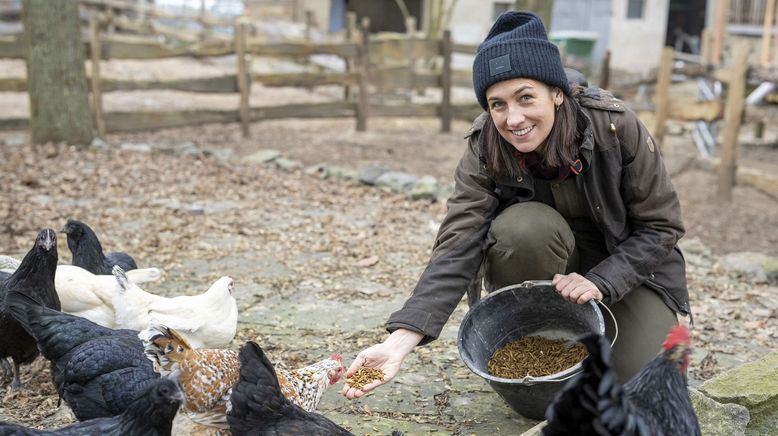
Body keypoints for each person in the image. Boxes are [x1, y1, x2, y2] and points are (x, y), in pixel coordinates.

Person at [341, 11, 690, 401]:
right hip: (546, 259)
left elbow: (661, 227)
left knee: (643, 385)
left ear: (556, 93)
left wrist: (602, 281)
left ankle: (601, 336)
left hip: (623, 265)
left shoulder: (615, 126)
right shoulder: (483, 146)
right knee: (523, 229)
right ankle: (539, 335)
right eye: (498, 104)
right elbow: (459, 243)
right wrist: (400, 341)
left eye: (526, 97)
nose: (514, 118)